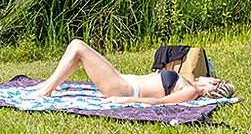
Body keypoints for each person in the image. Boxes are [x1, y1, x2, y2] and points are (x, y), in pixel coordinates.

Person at [30, 38, 235, 104]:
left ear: (214, 84)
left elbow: (159, 103)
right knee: (79, 54)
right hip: (121, 82)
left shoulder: (191, 92)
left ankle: (46, 90)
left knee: (78, 47)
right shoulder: (190, 84)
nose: (209, 75)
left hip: (123, 89)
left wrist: (126, 101)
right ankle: (49, 84)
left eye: (212, 78)